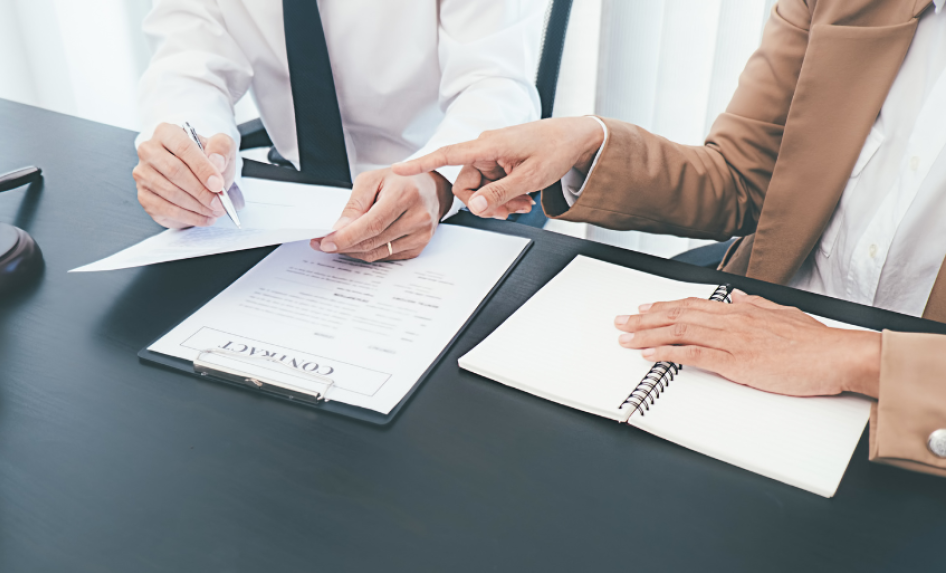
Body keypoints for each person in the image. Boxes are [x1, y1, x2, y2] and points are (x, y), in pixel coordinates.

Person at [396, 0, 946, 476]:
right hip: (748, 339)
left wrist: (855, 356)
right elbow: (744, 177)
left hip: (907, 413)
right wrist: (588, 144)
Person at [131, 0, 544, 261]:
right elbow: (186, 68)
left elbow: (497, 82)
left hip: (444, 193)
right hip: (294, 199)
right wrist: (188, 160)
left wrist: (437, 181)